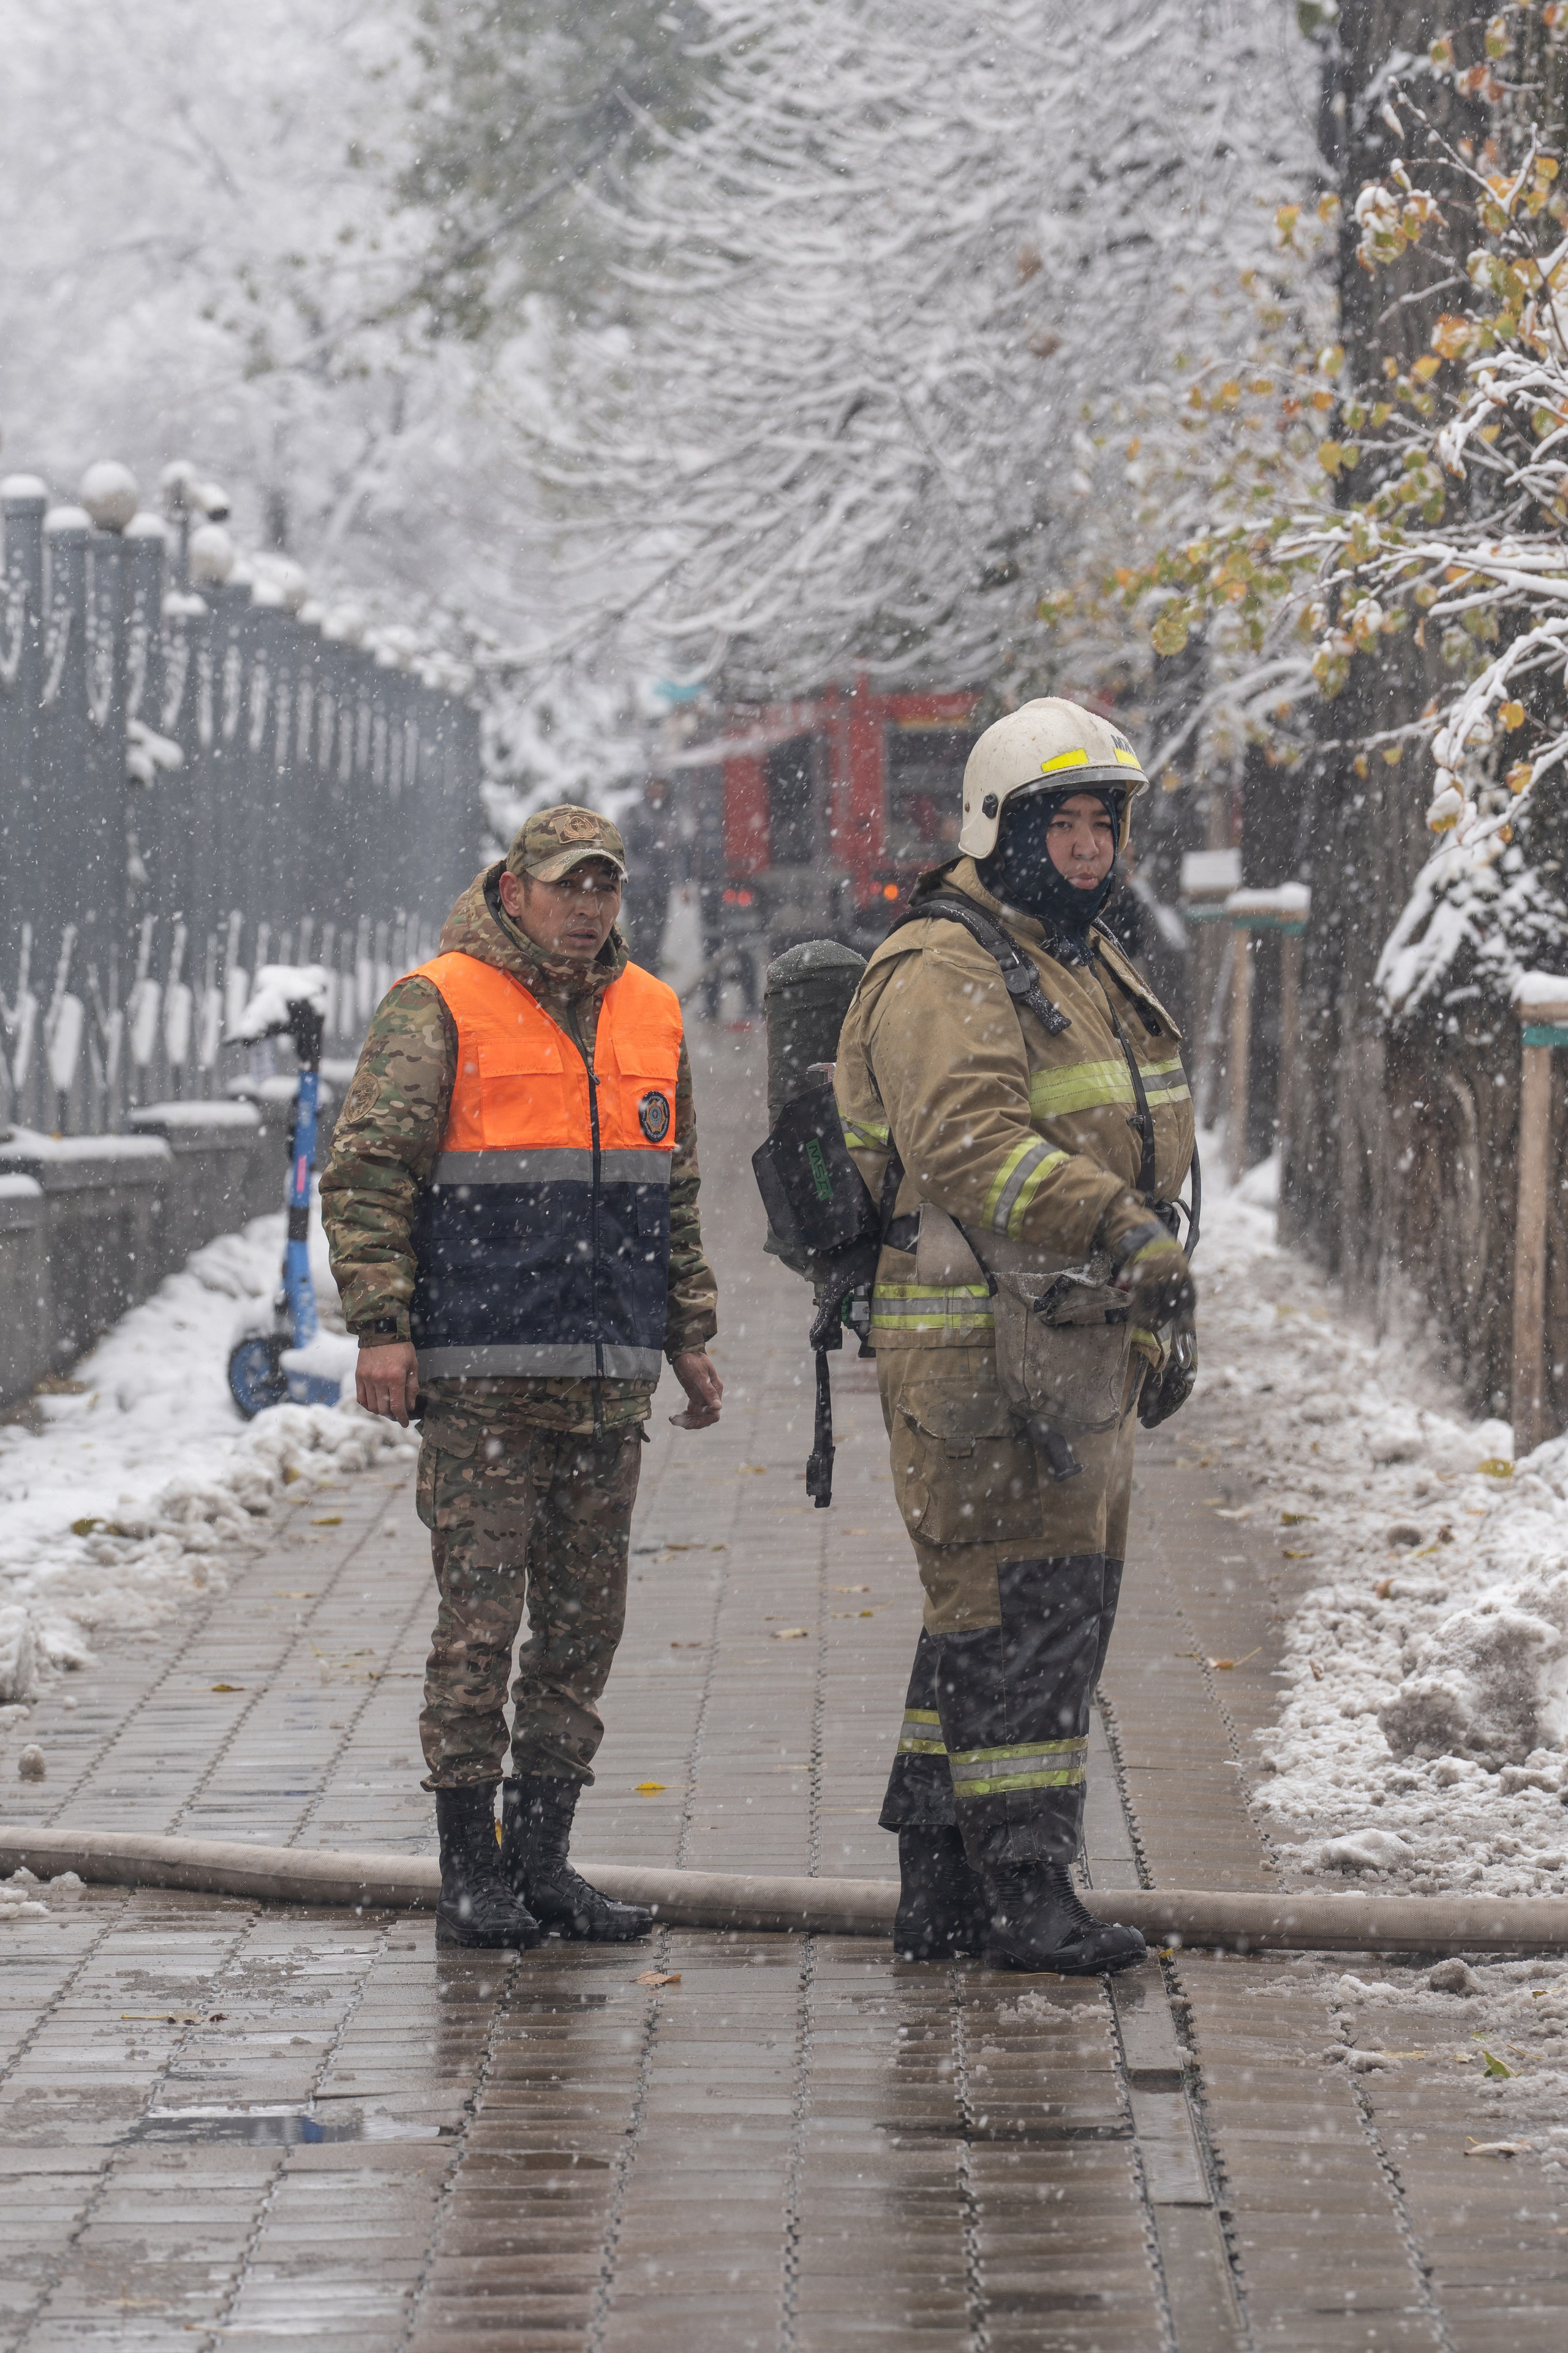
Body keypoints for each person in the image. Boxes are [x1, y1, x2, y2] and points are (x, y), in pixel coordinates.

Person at [833, 700, 1196, 1974]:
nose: (1090, 846)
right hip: (978, 1347)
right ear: (1002, 825)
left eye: (1104, 822)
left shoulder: (1073, 955)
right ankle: (1026, 1892)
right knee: (1023, 1616)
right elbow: (964, 1142)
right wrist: (1117, 1226)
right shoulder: (949, 963)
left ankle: (938, 1884)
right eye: (1066, 822)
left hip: (1061, 1333)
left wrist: (1146, 1278)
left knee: (992, 1613)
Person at [322, 806, 723, 1951]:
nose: (590, 906)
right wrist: (382, 1326)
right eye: (568, 886)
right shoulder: (439, 1001)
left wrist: (686, 1331)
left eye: (605, 887)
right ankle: (470, 1873)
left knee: (583, 1631)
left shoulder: (650, 1009)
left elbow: (674, 1189)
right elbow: (367, 1175)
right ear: (515, 889)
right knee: (480, 1626)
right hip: (484, 1381)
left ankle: (544, 1863)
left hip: (606, 1384)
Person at [617, 776, 685, 969]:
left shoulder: (669, 816)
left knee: (656, 941)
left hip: (661, 888)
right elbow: (621, 849)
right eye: (654, 787)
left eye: (662, 788)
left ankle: (651, 983)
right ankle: (637, 980)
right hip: (638, 889)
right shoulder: (632, 814)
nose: (658, 792)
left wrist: (680, 882)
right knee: (640, 940)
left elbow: (676, 852)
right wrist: (640, 872)